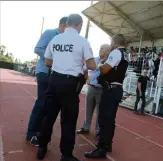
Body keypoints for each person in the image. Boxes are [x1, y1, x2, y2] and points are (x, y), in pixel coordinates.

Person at [36, 14, 96, 161]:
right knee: (68, 121)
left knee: (48, 116)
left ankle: (42, 147)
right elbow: (92, 66)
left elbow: (48, 62)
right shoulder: (82, 41)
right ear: (80, 25)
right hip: (70, 85)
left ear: (67, 24)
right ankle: (66, 155)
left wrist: (61, 61)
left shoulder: (56, 39)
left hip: (54, 81)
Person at [84, 34, 128, 159]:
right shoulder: (125, 54)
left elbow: (104, 70)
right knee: (110, 119)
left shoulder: (116, 52)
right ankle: (107, 144)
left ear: (114, 41)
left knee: (103, 119)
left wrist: (99, 66)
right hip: (116, 89)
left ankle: (101, 148)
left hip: (110, 90)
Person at [26, 16, 68, 146]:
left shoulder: (64, 39)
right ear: (64, 25)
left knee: (48, 104)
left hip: (54, 74)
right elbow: (37, 49)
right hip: (44, 72)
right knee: (42, 102)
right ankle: (31, 133)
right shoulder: (50, 33)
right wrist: (54, 56)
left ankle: (39, 131)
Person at [76, 44, 111, 136]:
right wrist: (86, 75)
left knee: (100, 111)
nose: (100, 50)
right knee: (88, 108)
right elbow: (84, 67)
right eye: (100, 48)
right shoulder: (94, 59)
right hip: (91, 87)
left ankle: (98, 131)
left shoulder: (110, 61)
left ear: (108, 51)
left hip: (101, 89)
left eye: (102, 48)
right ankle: (86, 127)